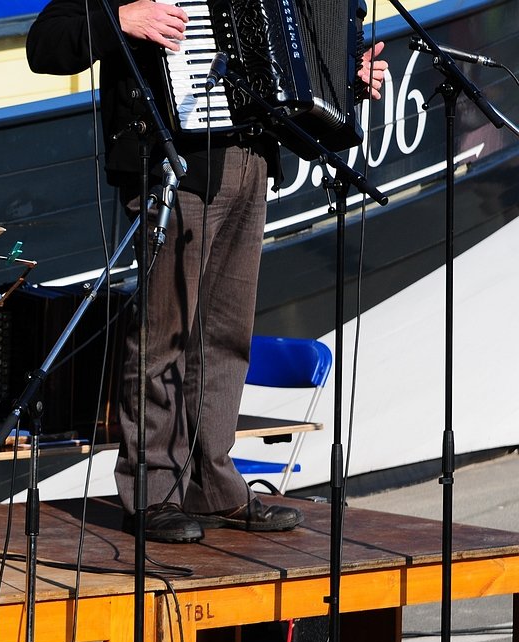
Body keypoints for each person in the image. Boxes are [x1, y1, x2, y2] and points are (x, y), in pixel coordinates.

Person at [27, 0, 386, 543]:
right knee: (164, 333)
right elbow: (44, 45)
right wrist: (122, 22)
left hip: (252, 160)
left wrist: (348, 75)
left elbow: (294, 60)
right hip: (172, 165)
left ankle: (212, 481)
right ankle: (152, 490)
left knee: (226, 336)